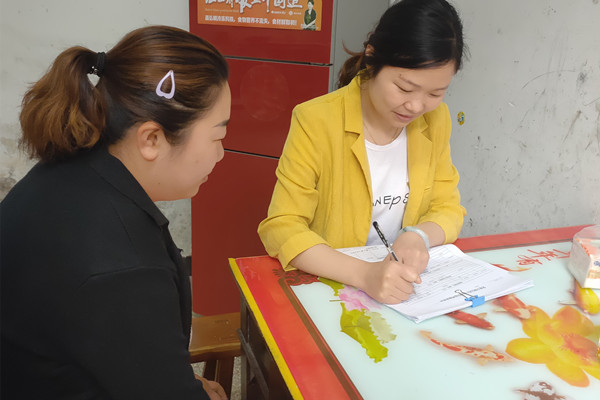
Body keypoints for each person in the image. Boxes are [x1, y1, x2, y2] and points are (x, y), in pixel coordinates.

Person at [0, 26, 230, 400]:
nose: (220, 155)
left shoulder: (73, 167)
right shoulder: (123, 268)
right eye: (218, 137)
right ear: (151, 139)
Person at [258, 0, 467, 305]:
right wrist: (366, 275)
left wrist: (417, 236)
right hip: (334, 289)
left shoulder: (436, 120)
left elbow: (448, 207)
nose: (416, 106)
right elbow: (282, 227)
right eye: (405, 88)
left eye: (435, 93)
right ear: (371, 58)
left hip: (405, 291)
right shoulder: (316, 120)